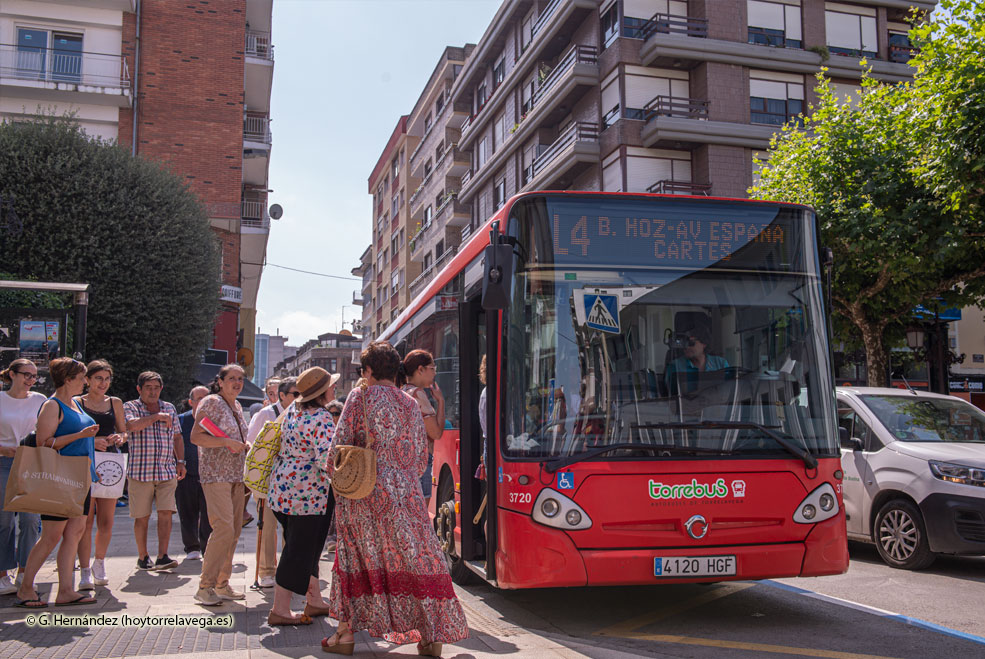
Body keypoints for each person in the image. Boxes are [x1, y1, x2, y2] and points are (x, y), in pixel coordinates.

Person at [323, 342, 467, 656]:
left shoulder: (359, 397)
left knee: (356, 558)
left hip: (363, 495)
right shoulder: (410, 402)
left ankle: (344, 635)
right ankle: (430, 636)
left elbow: (337, 448)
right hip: (407, 496)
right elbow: (419, 458)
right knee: (417, 561)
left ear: (368, 371)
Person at [14, 358, 100, 608]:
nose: (86, 381)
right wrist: (81, 435)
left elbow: (84, 443)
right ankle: (26, 588)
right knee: (52, 536)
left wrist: (93, 470)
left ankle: (66, 590)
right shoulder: (52, 405)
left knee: (74, 533)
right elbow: (43, 442)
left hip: (80, 476)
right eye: (82, 377)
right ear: (68, 379)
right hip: (60, 478)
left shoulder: (74, 404)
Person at [266, 367, 339, 626]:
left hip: (283, 489)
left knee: (303, 548)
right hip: (308, 495)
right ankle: (280, 610)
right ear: (321, 393)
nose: (334, 389)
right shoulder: (321, 417)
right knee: (297, 552)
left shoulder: (292, 412)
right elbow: (325, 459)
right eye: (331, 386)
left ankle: (315, 600)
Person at [190, 364, 249, 606]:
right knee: (223, 528)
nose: (237, 382)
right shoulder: (212, 402)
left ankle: (222, 584)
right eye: (232, 378)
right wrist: (226, 442)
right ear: (220, 381)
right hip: (216, 475)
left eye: (241, 379)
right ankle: (205, 586)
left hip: (236, 475)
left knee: (233, 532)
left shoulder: (236, 406)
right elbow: (196, 437)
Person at [75, 360, 128, 590]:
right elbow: (71, 431)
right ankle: (84, 569)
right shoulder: (77, 402)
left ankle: (100, 562)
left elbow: (123, 431)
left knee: (107, 519)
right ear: (87, 379)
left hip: (110, 462)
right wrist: (91, 440)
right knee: (84, 520)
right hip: (84, 461)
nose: (103, 383)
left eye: (107, 379)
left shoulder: (115, 402)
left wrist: (119, 438)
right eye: (98, 378)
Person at [124, 371, 184, 571]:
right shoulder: (131, 407)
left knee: (166, 513)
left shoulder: (170, 408)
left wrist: (181, 461)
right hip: (140, 472)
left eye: (156, 388)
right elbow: (131, 426)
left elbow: (177, 436)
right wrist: (156, 417)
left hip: (166, 470)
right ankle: (143, 556)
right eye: (148, 388)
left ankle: (163, 555)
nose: (153, 392)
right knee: (142, 516)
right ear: (139, 389)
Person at [245, 377, 299, 588]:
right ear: (282, 396)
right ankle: (267, 571)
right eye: (295, 394)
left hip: (292, 480)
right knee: (267, 526)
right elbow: (252, 444)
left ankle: (289, 569)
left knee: (290, 527)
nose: (298, 398)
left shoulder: (300, 414)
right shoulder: (265, 414)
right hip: (269, 478)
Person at [0, 359, 44, 595]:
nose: (30, 380)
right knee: (4, 521)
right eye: (26, 374)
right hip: (4, 462)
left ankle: (27, 572)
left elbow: (48, 428)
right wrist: (3, 450)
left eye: (34, 376)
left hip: (32, 463)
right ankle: (2, 573)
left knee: (30, 520)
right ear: (12, 375)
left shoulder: (39, 400)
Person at [396, 349, 445, 509]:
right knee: (420, 516)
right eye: (432, 368)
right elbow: (436, 433)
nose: (434, 374)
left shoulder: (402, 392)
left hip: (404, 462)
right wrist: (441, 402)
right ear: (420, 369)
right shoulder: (418, 394)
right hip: (421, 463)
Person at [176, 386, 211, 561]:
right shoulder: (181, 420)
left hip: (209, 474)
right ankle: (191, 546)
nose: (203, 402)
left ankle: (207, 547)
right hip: (186, 472)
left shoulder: (214, 420)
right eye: (199, 399)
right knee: (187, 511)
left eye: (207, 398)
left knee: (208, 513)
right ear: (191, 402)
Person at [664, 325, 730, 395]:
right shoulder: (674, 367)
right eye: (684, 343)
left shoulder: (721, 364)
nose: (686, 346)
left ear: (704, 343)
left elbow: (728, 392)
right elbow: (669, 398)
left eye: (690, 343)